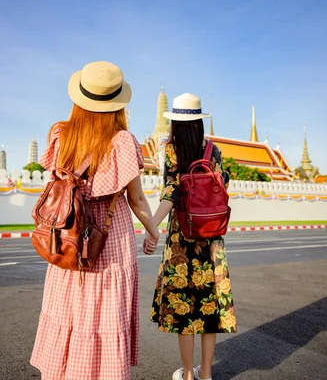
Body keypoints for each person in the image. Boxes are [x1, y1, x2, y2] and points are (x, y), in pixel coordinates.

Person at [30, 61, 160, 379]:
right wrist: (154, 232)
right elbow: (137, 199)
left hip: (67, 240)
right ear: (118, 105)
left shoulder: (60, 135)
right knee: (102, 320)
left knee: (69, 315)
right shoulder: (123, 142)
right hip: (108, 244)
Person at [148, 93, 237, 380]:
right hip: (211, 240)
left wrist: (152, 225)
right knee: (209, 306)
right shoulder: (213, 151)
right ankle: (207, 373)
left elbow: (170, 192)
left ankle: (188, 374)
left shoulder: (172, 151)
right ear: (199, 121)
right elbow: (223, 186)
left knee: (183, 308)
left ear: (175, 122)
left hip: (181, 241)